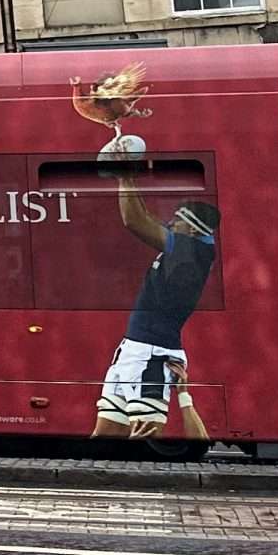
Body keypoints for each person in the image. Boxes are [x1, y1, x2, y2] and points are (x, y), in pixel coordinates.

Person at [90, 126, 218, 442]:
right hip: (133, 349)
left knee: (145, 439)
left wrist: (125, 175)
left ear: (193, 229)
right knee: (104, 435)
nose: (170, 222)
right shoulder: (187, 247)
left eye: (178, 220)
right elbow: (143, 215)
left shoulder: (192, 252)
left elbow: (135, 221)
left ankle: (145, 489)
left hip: (152, 354)